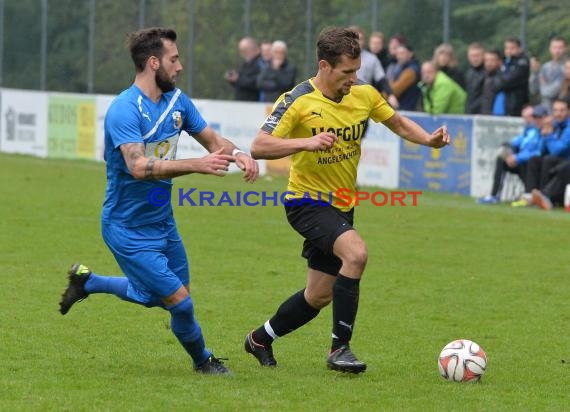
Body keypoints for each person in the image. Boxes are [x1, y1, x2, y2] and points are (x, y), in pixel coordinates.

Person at [243, 27, 450, 374]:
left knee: (318, 296)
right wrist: (305, 143)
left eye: (357, 71)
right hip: (306, 202)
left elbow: (397, 123)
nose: (353, 79)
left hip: (342, 204)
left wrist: (428, 140)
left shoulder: (364, 95)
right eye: (346, 73)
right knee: (356, 254)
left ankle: (260, 339)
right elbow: (258, 146)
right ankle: (340, 349)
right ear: (324, 66)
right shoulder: (297, 100)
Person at [58, 27, 259, 375]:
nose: (180, 66)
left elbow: (212, 140)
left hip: (162, 222)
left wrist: (240, 153)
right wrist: (196, 165)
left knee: (161, 296)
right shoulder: (125, 109)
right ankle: (203, 361)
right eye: (174, 59)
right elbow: (137, 166)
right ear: (153, 63)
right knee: (181, 304)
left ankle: (88, 283)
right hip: (126, 227)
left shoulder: (177, 102)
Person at [477, 105, 547, 204]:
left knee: (530, 161)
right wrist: (510, 154)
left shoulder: (546, 131)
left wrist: (517, 158)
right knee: (502, 158)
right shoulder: (531, 130)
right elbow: (516, 142)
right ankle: (494, 195)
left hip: (534, 165)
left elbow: (539, 152)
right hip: (524, 163)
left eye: (536, 117)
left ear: (546, 118)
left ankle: (527, 197)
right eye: (534, 117)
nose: (533, 120)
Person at [350, 26, 398, 108]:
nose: (357, 41)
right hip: (342, 98)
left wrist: (390, 95)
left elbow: (381, 79)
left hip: (363, 101)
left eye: (360, 39)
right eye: (354, 38)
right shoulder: (339, 57)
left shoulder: (372, 59)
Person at [530, 36, 567, 111]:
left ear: (565, 49)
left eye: (560, 48)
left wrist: (543, 84)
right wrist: (535, 72)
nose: (557, 51)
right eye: (554, 47)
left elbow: (552, 93)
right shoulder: (545, 67)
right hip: (545, 109)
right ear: (550, 49)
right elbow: (534, 89)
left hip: (561, 110)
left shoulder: (567, 67)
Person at [496, 38, 530, 116]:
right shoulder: (504, 62)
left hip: (515, 105)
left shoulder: (522, 63)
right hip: (502, 106)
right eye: (507, 48)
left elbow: (508, 81)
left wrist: (498, 81)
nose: (509, 51)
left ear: (519, 49)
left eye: (512, 48)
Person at [224, 36, 263, 101]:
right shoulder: (245, 63)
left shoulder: (261, 62)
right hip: (241, 101)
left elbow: (258, 82)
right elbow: (240, 81)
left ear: (253, 48)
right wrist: (233, 80)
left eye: (244, 50)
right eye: (241, 51)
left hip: (254, 102)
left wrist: (238, 79)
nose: (242, 53)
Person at [388, 44, 422, 111]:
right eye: (398, 54)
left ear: (411, 54)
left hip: (407, 110)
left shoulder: (411, 71)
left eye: (402, 53)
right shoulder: (400, 68)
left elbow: (395, 90)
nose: (399, 56)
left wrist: (387, 92)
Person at [464, 42, 486, 114]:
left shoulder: (488, 73)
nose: (475, 59)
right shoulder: (469, 73)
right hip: (470, 112)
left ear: (483, 56)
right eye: (472, 56)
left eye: (477, 56)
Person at [480, 49, 503, 115]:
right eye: (487, 60)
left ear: (500, 62)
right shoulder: (483, 77)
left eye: (492, 60)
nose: (489, 63)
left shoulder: (503, 79)